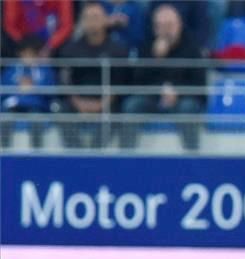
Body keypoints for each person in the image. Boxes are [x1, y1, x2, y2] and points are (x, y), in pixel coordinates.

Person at [118, 3, 206, 151]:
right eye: (160, 26)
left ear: (179, 25)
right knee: (131, 105)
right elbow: (137, 82)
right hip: (152, 98)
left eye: (169, 25)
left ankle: (192, 158)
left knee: (189, 108)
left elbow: (200, 86)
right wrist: (155, 58)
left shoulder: (193, 48)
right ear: (154, 27)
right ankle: (126, 158)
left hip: (182, 98)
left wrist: (177, 91)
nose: (165, 31)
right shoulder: (145, 47)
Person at [55, 1, 129, 149]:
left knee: (117, 112)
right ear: (82, 22)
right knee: (61, 110)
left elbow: (121, 82)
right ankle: (77, 154)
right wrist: (78, 102)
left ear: (105, 20)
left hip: (108, 101)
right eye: (87, 18)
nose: (91, 22)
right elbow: (64, 80)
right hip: (78, 100)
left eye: (95, 17)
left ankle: (96, 154)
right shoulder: (70, 49)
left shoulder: (118, 51)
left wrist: (102, 104)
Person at [0, 35, 54, 149]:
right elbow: (3, 90)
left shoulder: (45, 70)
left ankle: (37, 154)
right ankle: (5, 153)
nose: (28, 57)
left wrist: (33, 88)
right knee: (5, 120)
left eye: (32, 54)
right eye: (25, 53)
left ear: (37, 54)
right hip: (13, 108)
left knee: (36, 119)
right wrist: (17, 88)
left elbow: (51, 92)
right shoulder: (11, 69)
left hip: (37, 108)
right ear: (20, 54)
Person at [2, 0, 74, 57]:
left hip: (51, 41)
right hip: (23, 41)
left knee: (68, 50)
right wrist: (25, 48)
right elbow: (10, 25)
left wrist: (50, 46)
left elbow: (66, 26)